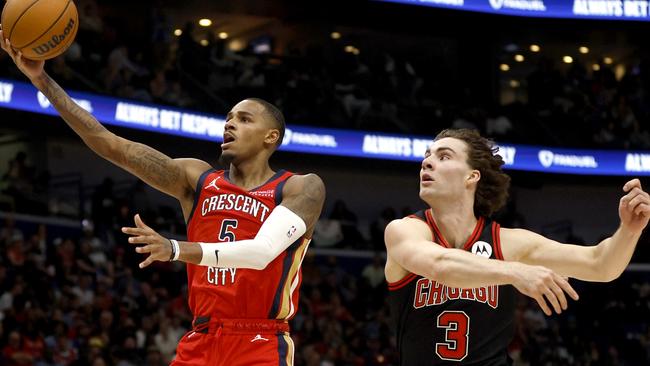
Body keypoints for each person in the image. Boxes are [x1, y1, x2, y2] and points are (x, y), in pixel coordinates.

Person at [1, 31, 326, 366]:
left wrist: (174, 249)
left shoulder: (300, 188)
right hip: (200, 340)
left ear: (271, 137)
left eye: (243, 120)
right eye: (228, 118)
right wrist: (42, 80)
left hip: (260, 340)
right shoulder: (197, 181)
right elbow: (110, 144)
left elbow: (261, 253)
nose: (229, 125)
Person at [384, 128, 649, 365]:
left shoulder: (507, 242)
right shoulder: (405, 230)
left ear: (472, 176)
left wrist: (629, 230)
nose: (426, 162)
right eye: (427, 156)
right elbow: (438, 265)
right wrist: (515, 271)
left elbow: (600, 265)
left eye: (443, 157)